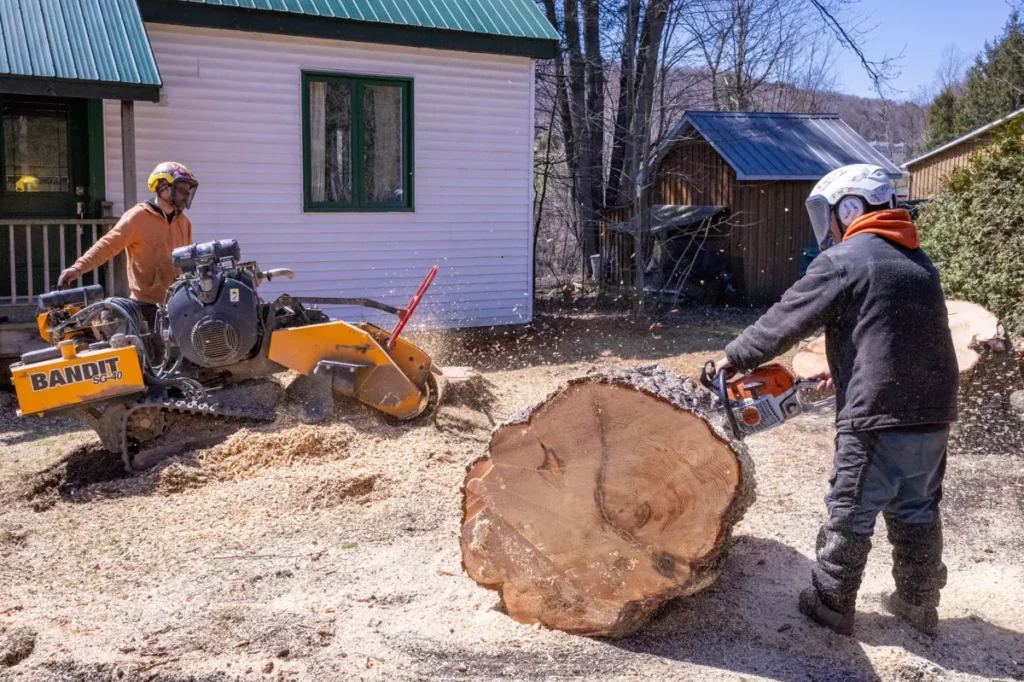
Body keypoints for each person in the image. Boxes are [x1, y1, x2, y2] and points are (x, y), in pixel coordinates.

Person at [715, 164, 959, 636]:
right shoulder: (917, 261)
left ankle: (830, 604)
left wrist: (735, 356)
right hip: (933, 414)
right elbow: (898, 332)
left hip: (877, 416)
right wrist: (845, 366)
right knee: (917, 509)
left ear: (850, 207)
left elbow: (791, 314)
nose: (828, 225)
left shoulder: (846, 259)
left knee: (850, 511)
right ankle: (918, 603)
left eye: (830, 213)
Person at [58, 162, 198, 328]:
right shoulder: (137, 217)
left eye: (187, 192)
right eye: (181, 189)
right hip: (146, 306)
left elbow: (189, 261)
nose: (185, 195)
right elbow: (108, 244)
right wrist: (78, 267)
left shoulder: (184, 223)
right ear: (162, 187)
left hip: (178, 304)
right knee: (150, 353)